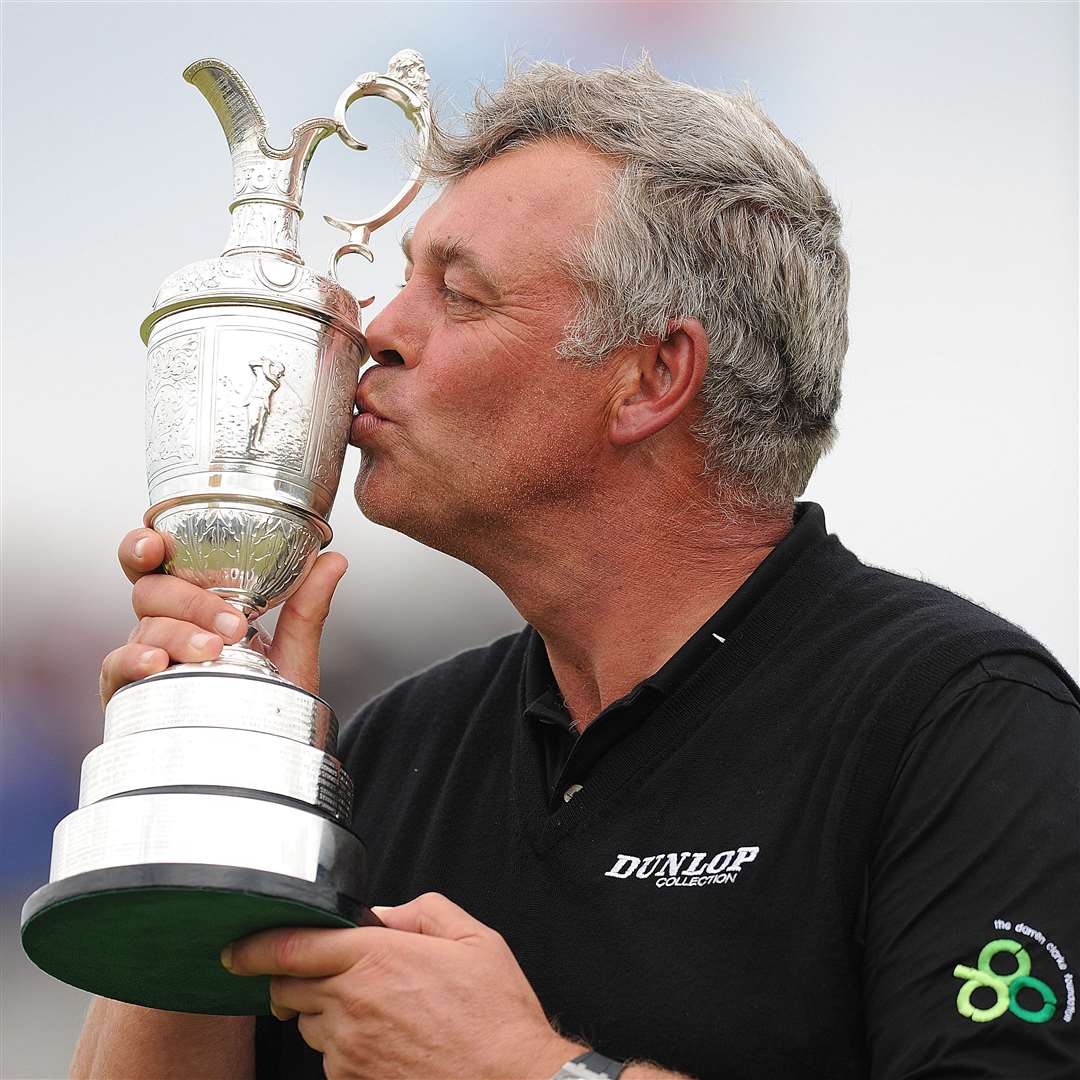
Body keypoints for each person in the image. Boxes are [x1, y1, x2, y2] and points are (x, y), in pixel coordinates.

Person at [75, 59, 1078, 1080]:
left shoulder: (964, 722)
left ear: (651, 377)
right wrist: (208, 786)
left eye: (458, 293)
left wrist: (524, 1070)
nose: (378, 329)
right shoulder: (396, 747)